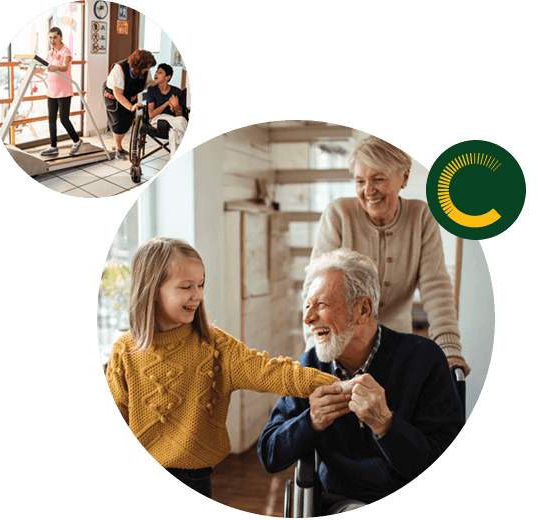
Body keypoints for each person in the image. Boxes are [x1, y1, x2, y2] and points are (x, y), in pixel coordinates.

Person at [105, 238, 337, 499]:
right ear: (151, 290)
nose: (198, 295)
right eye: (186, 287)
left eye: (201, 285)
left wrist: (332, 383)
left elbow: (271, 372)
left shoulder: (215, 346)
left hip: (195, 479)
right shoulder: (124, 351)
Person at [259, 248, 464, 511]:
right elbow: (269, 454)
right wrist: (310, 421)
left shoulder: (424, 360)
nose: (307, 318)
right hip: (340, 502)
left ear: (363, 309)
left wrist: (386, 426)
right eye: (307, 305)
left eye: (321, 305)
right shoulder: (308, 367)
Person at [303, 135, 470, 375]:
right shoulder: (339, 215)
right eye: (360, 181)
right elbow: (315, 289)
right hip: (343, 349)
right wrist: (316, 356)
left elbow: (436, 288)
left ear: (404, 177)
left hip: (397, 348)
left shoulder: (421, 217)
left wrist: (450, 348)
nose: (368, 191)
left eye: (378, 179)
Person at [34, 27, 83, 157]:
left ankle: (77, 141)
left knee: (64, 119)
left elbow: (65, 66)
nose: (52, 40)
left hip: (64, 91)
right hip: (52, 91)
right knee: (51, 120)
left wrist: (56, 67)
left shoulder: (66, 51)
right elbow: (42, 69)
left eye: (55, 37)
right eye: (50, 38)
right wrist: (29, 68)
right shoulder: (49, 54)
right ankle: (53, 146)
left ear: (60, 37)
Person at [103, 50, 156, 159]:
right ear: (138, 66)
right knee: (118, 122)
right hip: (113, 96)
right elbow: (118, 93)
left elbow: (146, 85)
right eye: (146, 67)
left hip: (129, 95)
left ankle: (117, 145)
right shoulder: (120, 68)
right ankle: (118, 148)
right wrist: (130, 106)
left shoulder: (145, 71)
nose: (147, 69)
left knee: (127, 121)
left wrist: (158, 82)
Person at [146, 63, 188, 159]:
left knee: (174, 133)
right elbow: (151, 115)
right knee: (181, 121)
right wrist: (167, 103)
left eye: (160, 72)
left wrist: (176, 107)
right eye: (156, 71)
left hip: (173, 123)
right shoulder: (152, 91)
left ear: (167, 77)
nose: (156, 74)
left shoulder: (177, 92)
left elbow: (180, 113)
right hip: (157, 121)